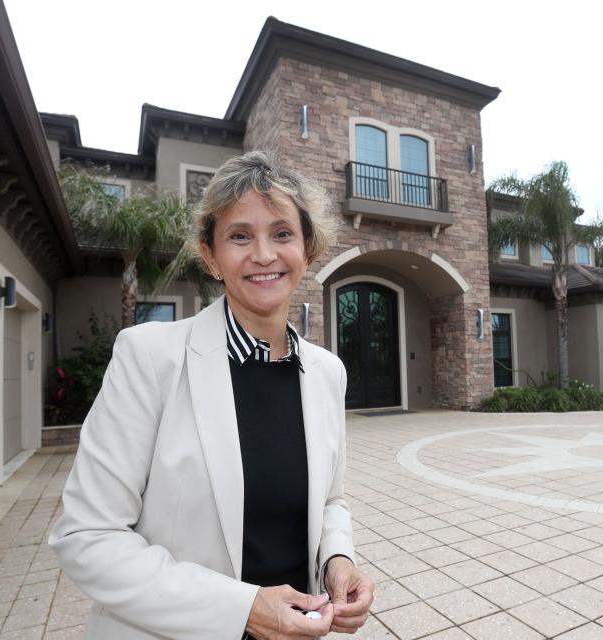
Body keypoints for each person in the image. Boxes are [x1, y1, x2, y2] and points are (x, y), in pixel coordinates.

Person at [49, 151, 374, 639]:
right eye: (239, 236)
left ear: (308, 249)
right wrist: (242, 608)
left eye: (282, 233)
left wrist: (337, 559)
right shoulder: (149, 357)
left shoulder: (327, 372)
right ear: (210, 255)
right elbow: (88, 537)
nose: (263, 254)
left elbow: (331, 500)